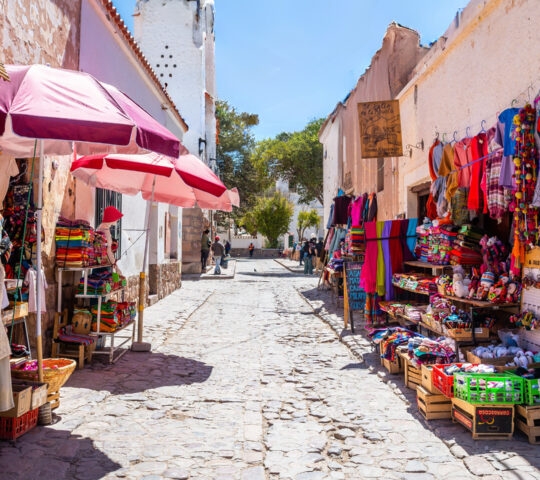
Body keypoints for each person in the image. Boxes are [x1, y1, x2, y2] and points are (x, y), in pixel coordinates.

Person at [97, 206, 123, 274]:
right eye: (116, 218)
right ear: (111, 218)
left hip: (100, 262)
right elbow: (108, 250)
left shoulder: (101, 228)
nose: (117, 220)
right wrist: (115, 265)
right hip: (103, 265)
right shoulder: (105, 231)